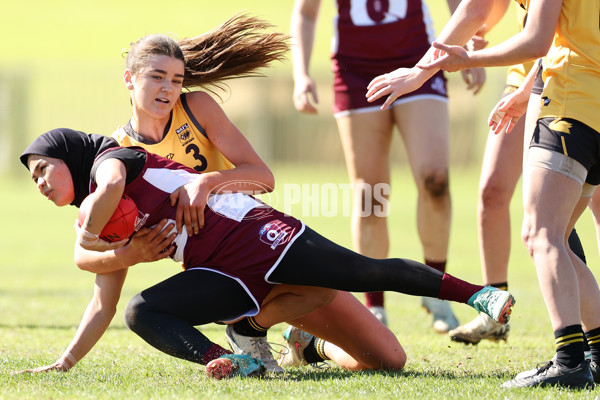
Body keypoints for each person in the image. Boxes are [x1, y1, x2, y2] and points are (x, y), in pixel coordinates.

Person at [19, 128, 515, 379]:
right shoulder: (95, 210)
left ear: (68, 153)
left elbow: (108, 189)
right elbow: (100, 293)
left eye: (43, 169)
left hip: (252, 233)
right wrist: (64, 363)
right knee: (142, 311)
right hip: (216, 270)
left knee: (363, 274)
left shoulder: (109, 158)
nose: (40, 183)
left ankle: (480, 296)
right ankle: (237, 361)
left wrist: (88, 232)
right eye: (34, 178)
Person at [367, 0, 600, 389]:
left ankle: (570, 362)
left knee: (541, 234)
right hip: (584, 100)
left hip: (569, 101)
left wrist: (456, 62)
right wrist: (526, 89)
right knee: (559, 238)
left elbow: (537, 40)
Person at [289, 0, 488, 333]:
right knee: (370, 196)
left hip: (420, 61)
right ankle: (375, 304)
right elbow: (306, 12)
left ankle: (435, 290)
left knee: (435, 180)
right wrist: (301, 74)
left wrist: (467, 45)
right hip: (356, 70)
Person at [447, 3, 588, 345]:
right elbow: (484, 12)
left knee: (552, 219)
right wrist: (474, 38)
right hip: (526, 73)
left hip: (570, 74)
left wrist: (455, 61)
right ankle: (495, 311)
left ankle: (587, 336)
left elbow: (544, 37)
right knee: (493, 192)